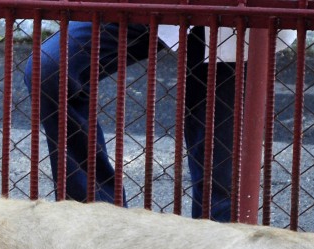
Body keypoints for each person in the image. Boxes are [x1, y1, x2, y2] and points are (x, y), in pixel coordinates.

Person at [24, 23, 245, 222]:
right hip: (147, 6)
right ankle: (97, 224)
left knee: (219, 168)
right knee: (50, 68)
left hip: (226, 16)